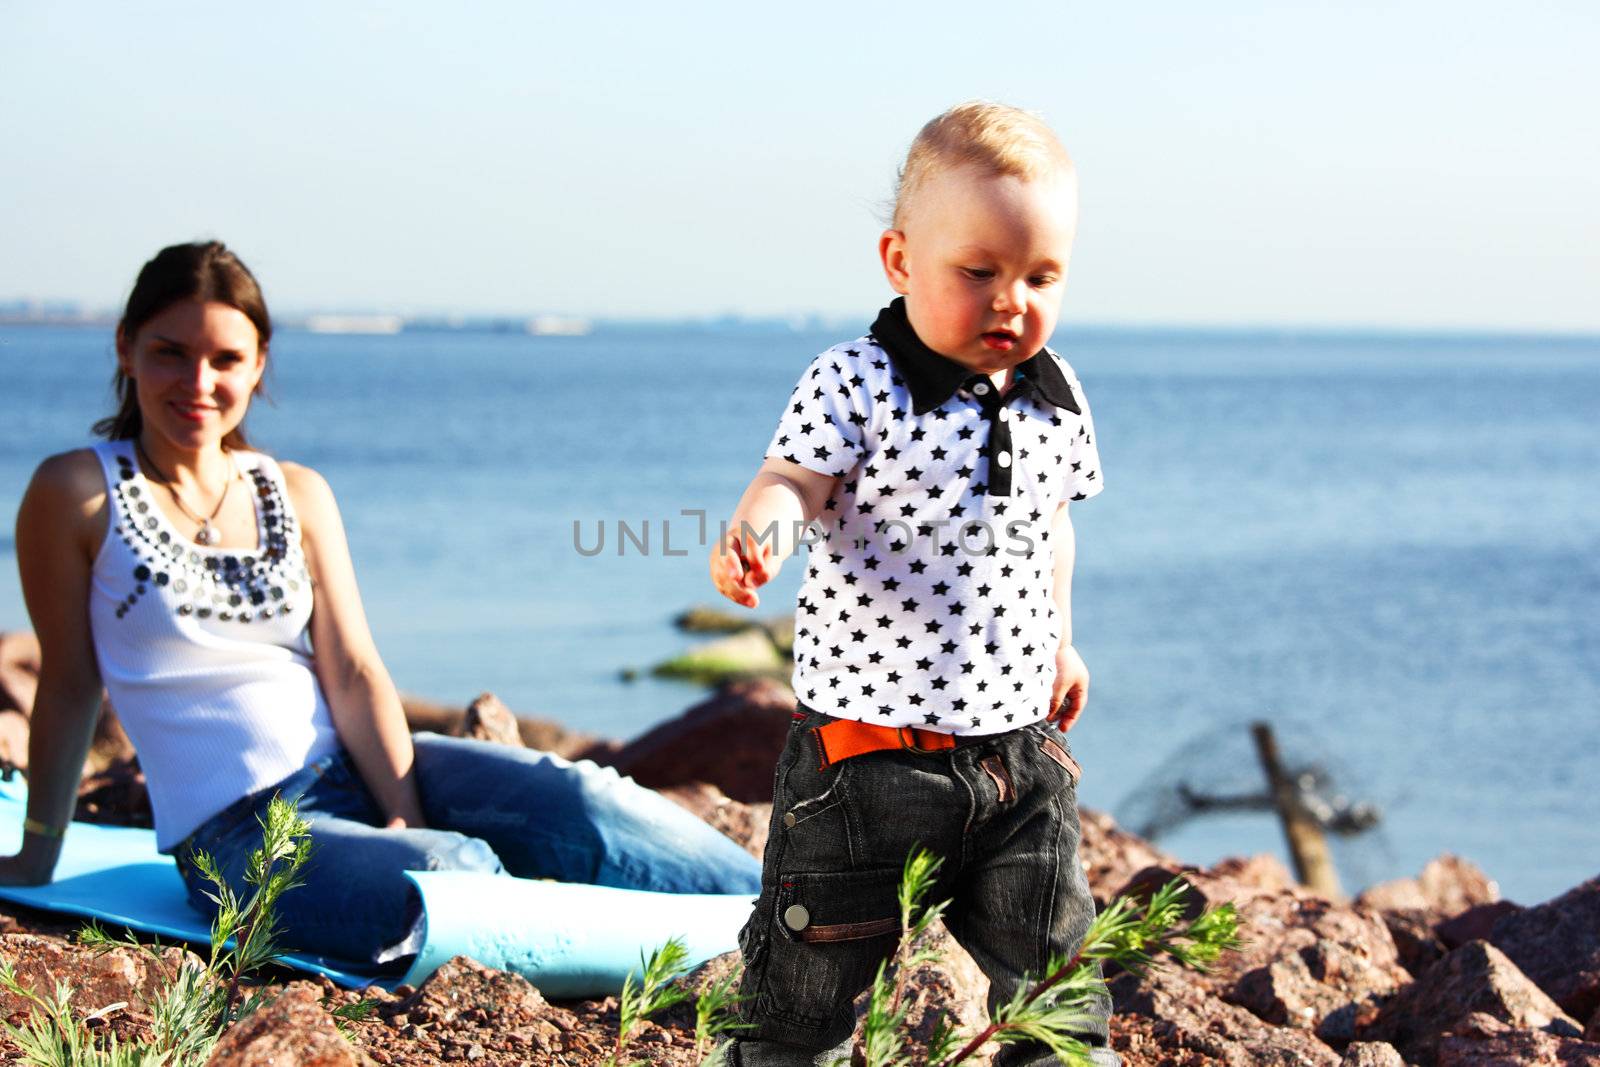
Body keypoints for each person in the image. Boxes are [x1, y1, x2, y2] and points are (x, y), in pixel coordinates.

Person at [2, 240, 761, 965]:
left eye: (225, 359)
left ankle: (800, 909)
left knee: (581, 796)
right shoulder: (77, 493)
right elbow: (71, 680)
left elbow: (356, 669)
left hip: (358, 769)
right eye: (170, 351)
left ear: (258, 364)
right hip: (237, 835)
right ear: (125, 346)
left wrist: (400, 806)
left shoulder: (294, 491)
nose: (198, 382)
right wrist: (40, 850)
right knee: (447, 871)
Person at [709, 103, 1118, 1066]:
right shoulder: (855, 381)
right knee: (802, 1003)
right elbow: (793, 479)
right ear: (899, 260)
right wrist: (762, 531)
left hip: (1020, 758)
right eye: (978, 272)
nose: (1011, 299)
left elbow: (1048, 531)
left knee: (1056, 992)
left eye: (1040, 276)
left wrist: (1060, 638)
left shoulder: (1058, 393)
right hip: (865, 761)